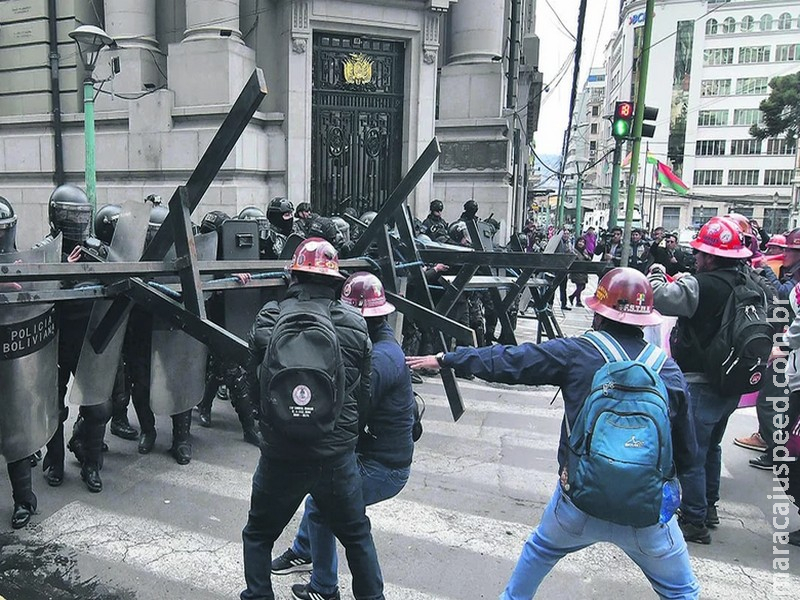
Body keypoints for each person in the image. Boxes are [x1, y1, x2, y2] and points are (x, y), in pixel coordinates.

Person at [406, 268, 699, 599]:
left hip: (578, 505)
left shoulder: (576, 353)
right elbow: (688, 456)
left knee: (539, 552)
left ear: (598, 314)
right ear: (645, 320)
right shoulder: (668, 371)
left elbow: (511, 361)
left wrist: (447, 358)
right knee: (682, 591)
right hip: (647, 518)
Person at [241, 238, 385, 600]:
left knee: (258, 535)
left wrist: (267, 426)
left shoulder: (269, 317)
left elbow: (252, 384)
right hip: (335, 458)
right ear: (335, 281)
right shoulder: (354, 323)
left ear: (294, 276)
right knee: (356, 536)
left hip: (281, 455)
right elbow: (363, 397)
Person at [271, 272, 414, 600]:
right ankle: (305, 551)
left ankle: (324, 587)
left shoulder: (380, 359)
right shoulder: (379, 344)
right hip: (377, 454)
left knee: (323, 504)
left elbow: (349, 414)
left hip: (384, 467)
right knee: (321, 487)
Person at [647, 216, 752, 544]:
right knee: (711, 447)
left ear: (711, 256)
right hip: (731, 381)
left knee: (691, 452)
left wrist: (656, 272)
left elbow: (657, 297)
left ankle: (694, 520)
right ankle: (708, 506)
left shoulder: (702, 286)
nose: (696, 257)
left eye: (700, 252)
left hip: (702, 381)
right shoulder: (749, 283)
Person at [42, 184, 112, 493]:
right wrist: (63, 272)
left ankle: (90, 463)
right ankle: (55, 461)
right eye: (69, 217)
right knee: (54, 406)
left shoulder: (96, 250)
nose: (76, 223)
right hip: (55, 341)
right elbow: (36, 293)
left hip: (88, 340)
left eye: (80, 216)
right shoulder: (46, 250)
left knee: (97, 406)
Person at [552, 228, 573, 311]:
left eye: (567, 234)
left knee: (563, 287)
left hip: (564, 268)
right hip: (556, 267)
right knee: (553, 286)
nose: (566, 235)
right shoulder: (558, 242)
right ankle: (550, 303)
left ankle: (563, 303)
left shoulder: (569, 243)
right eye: (565, 233)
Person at [568, 236, 591, 307]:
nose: (581, 243)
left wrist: (587, 257)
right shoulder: (574, 251)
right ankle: (578, 301)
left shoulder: (584, 251)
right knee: (580, 286)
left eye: (583, 242)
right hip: (577, 271)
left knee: (582, 286)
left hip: (583, 271)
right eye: (580, 241)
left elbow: (589, 259)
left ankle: (573, 297)